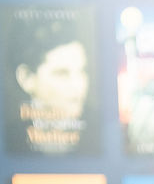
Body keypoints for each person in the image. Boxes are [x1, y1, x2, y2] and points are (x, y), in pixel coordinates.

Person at [4, 10, 95, 153]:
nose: (79, 86)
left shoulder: (101, 132)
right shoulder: (8, 140)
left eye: (82, 71)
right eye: (62, 74)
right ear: (26, 78)